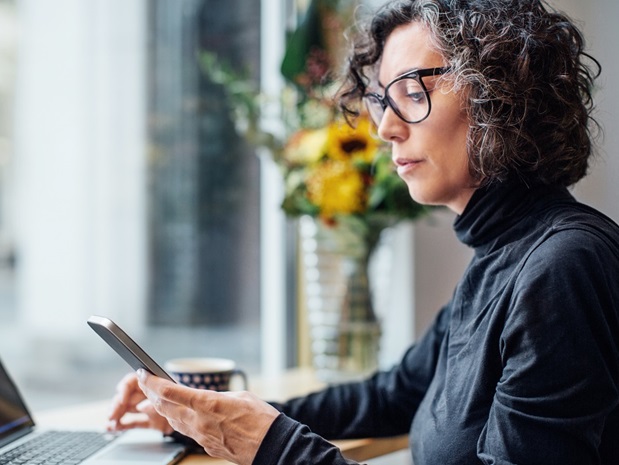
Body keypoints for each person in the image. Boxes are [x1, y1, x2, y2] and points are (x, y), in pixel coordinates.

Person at [107, 0, 619, 464]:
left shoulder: (562, 266)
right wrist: (209, 417)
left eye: (413, 93)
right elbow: (391, 396)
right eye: (381, 101)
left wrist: (274, 447)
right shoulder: (502, 255)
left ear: (502, 99)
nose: (385, 129)